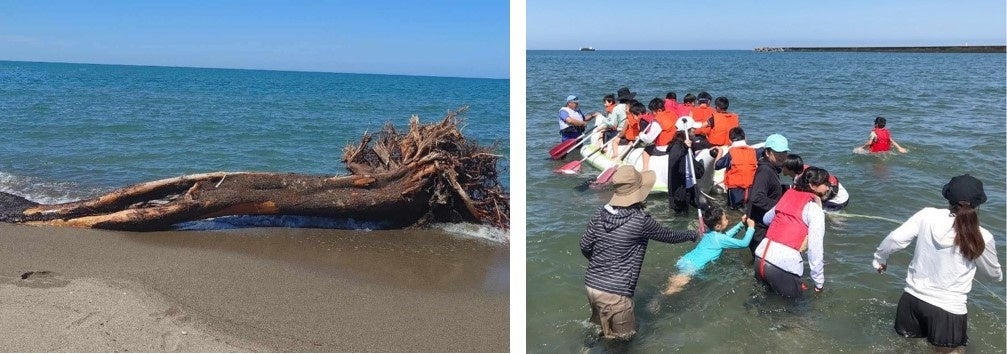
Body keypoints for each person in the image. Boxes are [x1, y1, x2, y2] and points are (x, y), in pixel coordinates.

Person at [872, 174, 1002, 352]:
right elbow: (993, 275)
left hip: (911, 301)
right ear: (978, 204)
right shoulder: (983, 236)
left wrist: (880, 259)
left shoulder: (926, 215)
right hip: (948, 310)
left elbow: (894, 239)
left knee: (903, 348)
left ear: (948, 197)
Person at [580, 165, 699, 340]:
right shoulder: (640, 220)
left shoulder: (599, 214)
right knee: (623, 342)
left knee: (599, 332)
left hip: (592, 286)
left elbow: (585, 246)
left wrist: (603, 264)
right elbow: (669, 236)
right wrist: (693, 235)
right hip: (616, 294)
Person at [754, 167, 831, 298]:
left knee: (766, 303)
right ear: (813, 186)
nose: (828, 187)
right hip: (781, 267)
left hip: (760, 259)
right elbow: (815, 250)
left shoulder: (787, 196)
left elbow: (766, 219)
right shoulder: (814, 209)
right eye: (826, 184)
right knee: (793, 314)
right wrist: (819, 283)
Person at [662, 205, 756, 295]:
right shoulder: (720, 239)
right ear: (718, 226)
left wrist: (741, 224)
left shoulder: (709, 233)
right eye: (725, 219)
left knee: (672, 285)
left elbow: (726, 236)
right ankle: (657, 301)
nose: (727, 219)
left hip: (685, 260)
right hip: (691, 267)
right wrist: (751, 228)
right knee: (669, 291)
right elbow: (744, 243)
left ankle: (659, 299)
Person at [745, 133, 790, 254]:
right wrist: (781, 207)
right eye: (778, 153)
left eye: (784, 153)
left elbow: (770, 188)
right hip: (759, 227)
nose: (782, 156)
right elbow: (757, 198)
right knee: (761, 261)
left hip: (761, 223)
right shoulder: (765, 171)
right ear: (767, 152)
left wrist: (787, 189)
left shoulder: (771, 169)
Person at [781, 154, 850, 212]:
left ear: (789, 169)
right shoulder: (802, 169)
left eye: (783, 166)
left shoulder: (803, 179)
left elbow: (816, 196)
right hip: (840, 194)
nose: (781, 168)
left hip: (838, 202)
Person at [667, 118, 704, 216]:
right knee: (681, 216)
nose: (695, 130)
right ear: (687, 131)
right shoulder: (677, 146)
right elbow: (673, 160)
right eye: (693, 128)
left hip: (690, 186)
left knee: (705, 207)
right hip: (680, 190)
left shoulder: (690, 145)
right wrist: (684, 147)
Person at [714, 127, 758, 210]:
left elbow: (717, 166)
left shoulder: (731, 153)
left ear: (730, 141)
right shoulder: (754, 151)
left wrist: (720, 152)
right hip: (751, 190)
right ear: (745, 138)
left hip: (735, 191)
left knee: (733, 211)